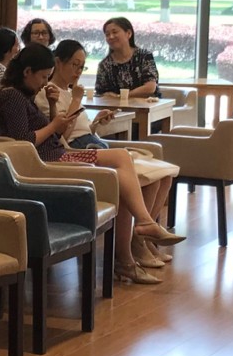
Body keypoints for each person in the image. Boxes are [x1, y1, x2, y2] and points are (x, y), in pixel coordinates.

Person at [0, 44, 183, 286]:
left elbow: (51, 134)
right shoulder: (11, 96)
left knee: (122, 163)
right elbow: (24, 140)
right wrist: (53, 124)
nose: (44, 83)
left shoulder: (23, 96)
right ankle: (138, 237)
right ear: (27, 72)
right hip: (51, 163)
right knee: (121, 167)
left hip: (56, 155)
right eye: (42, 77)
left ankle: (141, 232)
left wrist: (53, 109)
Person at [45, 38, 178, 269]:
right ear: (58, 62)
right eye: (74, 65)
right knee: (133, 172)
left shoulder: (70, 91)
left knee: (162, 177)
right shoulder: (50, 94)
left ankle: (141, 239)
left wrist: (96, 123)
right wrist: (76, 99)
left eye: (82, 67)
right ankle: (139, 237)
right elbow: (61, 135)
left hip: (90, 143)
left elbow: (81, 130)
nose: (78, 71)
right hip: (75, 151)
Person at [95, 17, 160, 98]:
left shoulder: (144, 56)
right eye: (107, 34)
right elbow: (100, 93)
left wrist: (121, 96)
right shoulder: (105, 65)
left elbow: (150, 87)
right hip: (116, 106)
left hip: (148, 104)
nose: (111, 37)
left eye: (115, 32)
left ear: (128, 33)